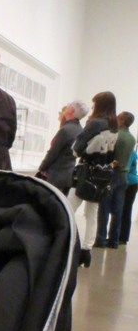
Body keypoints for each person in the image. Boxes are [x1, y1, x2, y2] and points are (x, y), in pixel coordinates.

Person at [68, 91, 118, 267]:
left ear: (100, 105)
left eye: (95, 103)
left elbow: (76, 148)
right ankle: (86, 250)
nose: (93, 106)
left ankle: (67, 243)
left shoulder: (95, 123)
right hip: (102, 175)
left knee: (69, 207)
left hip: (86, 173)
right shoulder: (114, 126)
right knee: (92, 214)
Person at [94, 111, 136, 250]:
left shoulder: (116, 135)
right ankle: (114, 240)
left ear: (122, 121)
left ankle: (100, 239)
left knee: (104, 208)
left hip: (112, 174)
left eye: (118, 118)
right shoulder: (132, 138)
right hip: (124, 176)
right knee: (118, 210)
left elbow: (110, 155)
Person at [36, 100, 90, 194]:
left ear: (71, 110)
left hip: (56, 176)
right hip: (68, 175)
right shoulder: (80, 130)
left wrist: (42, 168)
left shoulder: (65, 130)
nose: (67, 106)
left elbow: (53, 153)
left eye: (69, 105)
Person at [119, 146, 138, 246]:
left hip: (130, 184)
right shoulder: (131, 151)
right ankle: (121, 237)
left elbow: (127, 167)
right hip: (130, 183)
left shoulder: (130, 152)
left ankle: (123, 237)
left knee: (126, 210)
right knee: (124, 210)